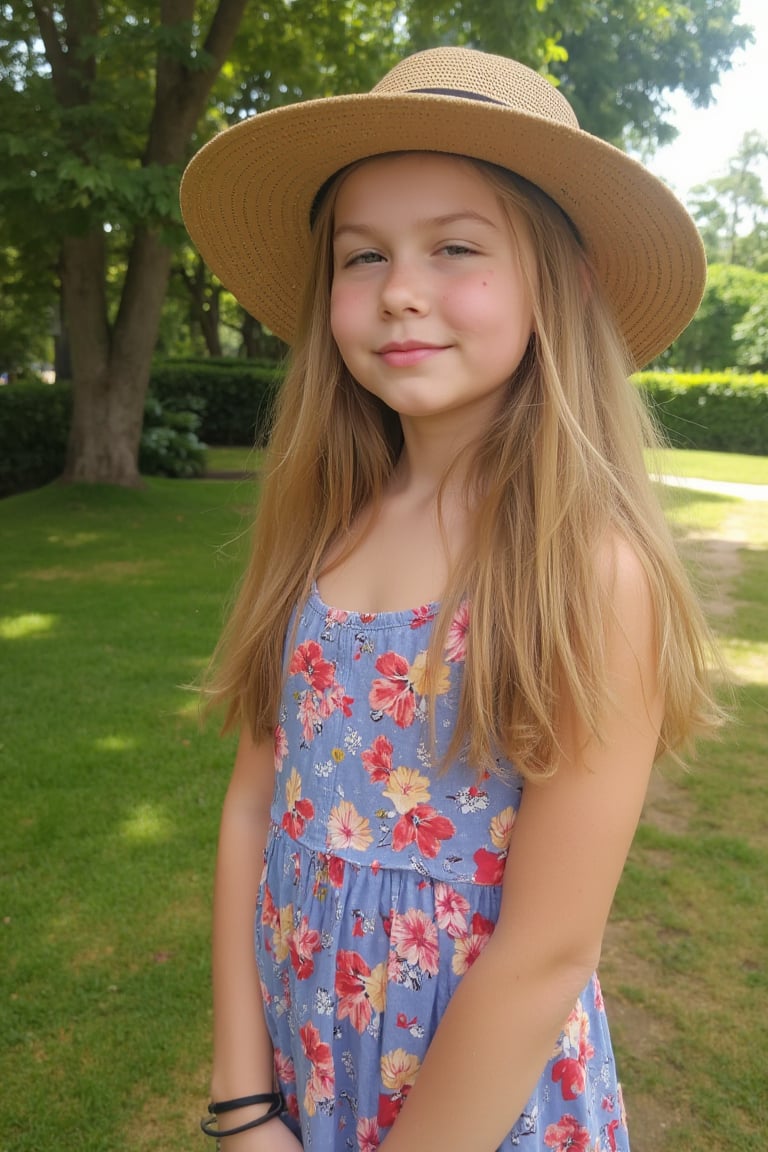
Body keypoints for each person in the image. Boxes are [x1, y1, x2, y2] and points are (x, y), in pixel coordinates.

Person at [181, 47, 722, 1152]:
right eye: (362, 255)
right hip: (298, 1071)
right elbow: (254, 802)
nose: (401, 291)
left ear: (559, 282)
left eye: (456, 248)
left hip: (475, 1113)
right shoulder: (323, 527)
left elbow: (546, 956)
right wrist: (243, 1104)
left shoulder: (584, 573)